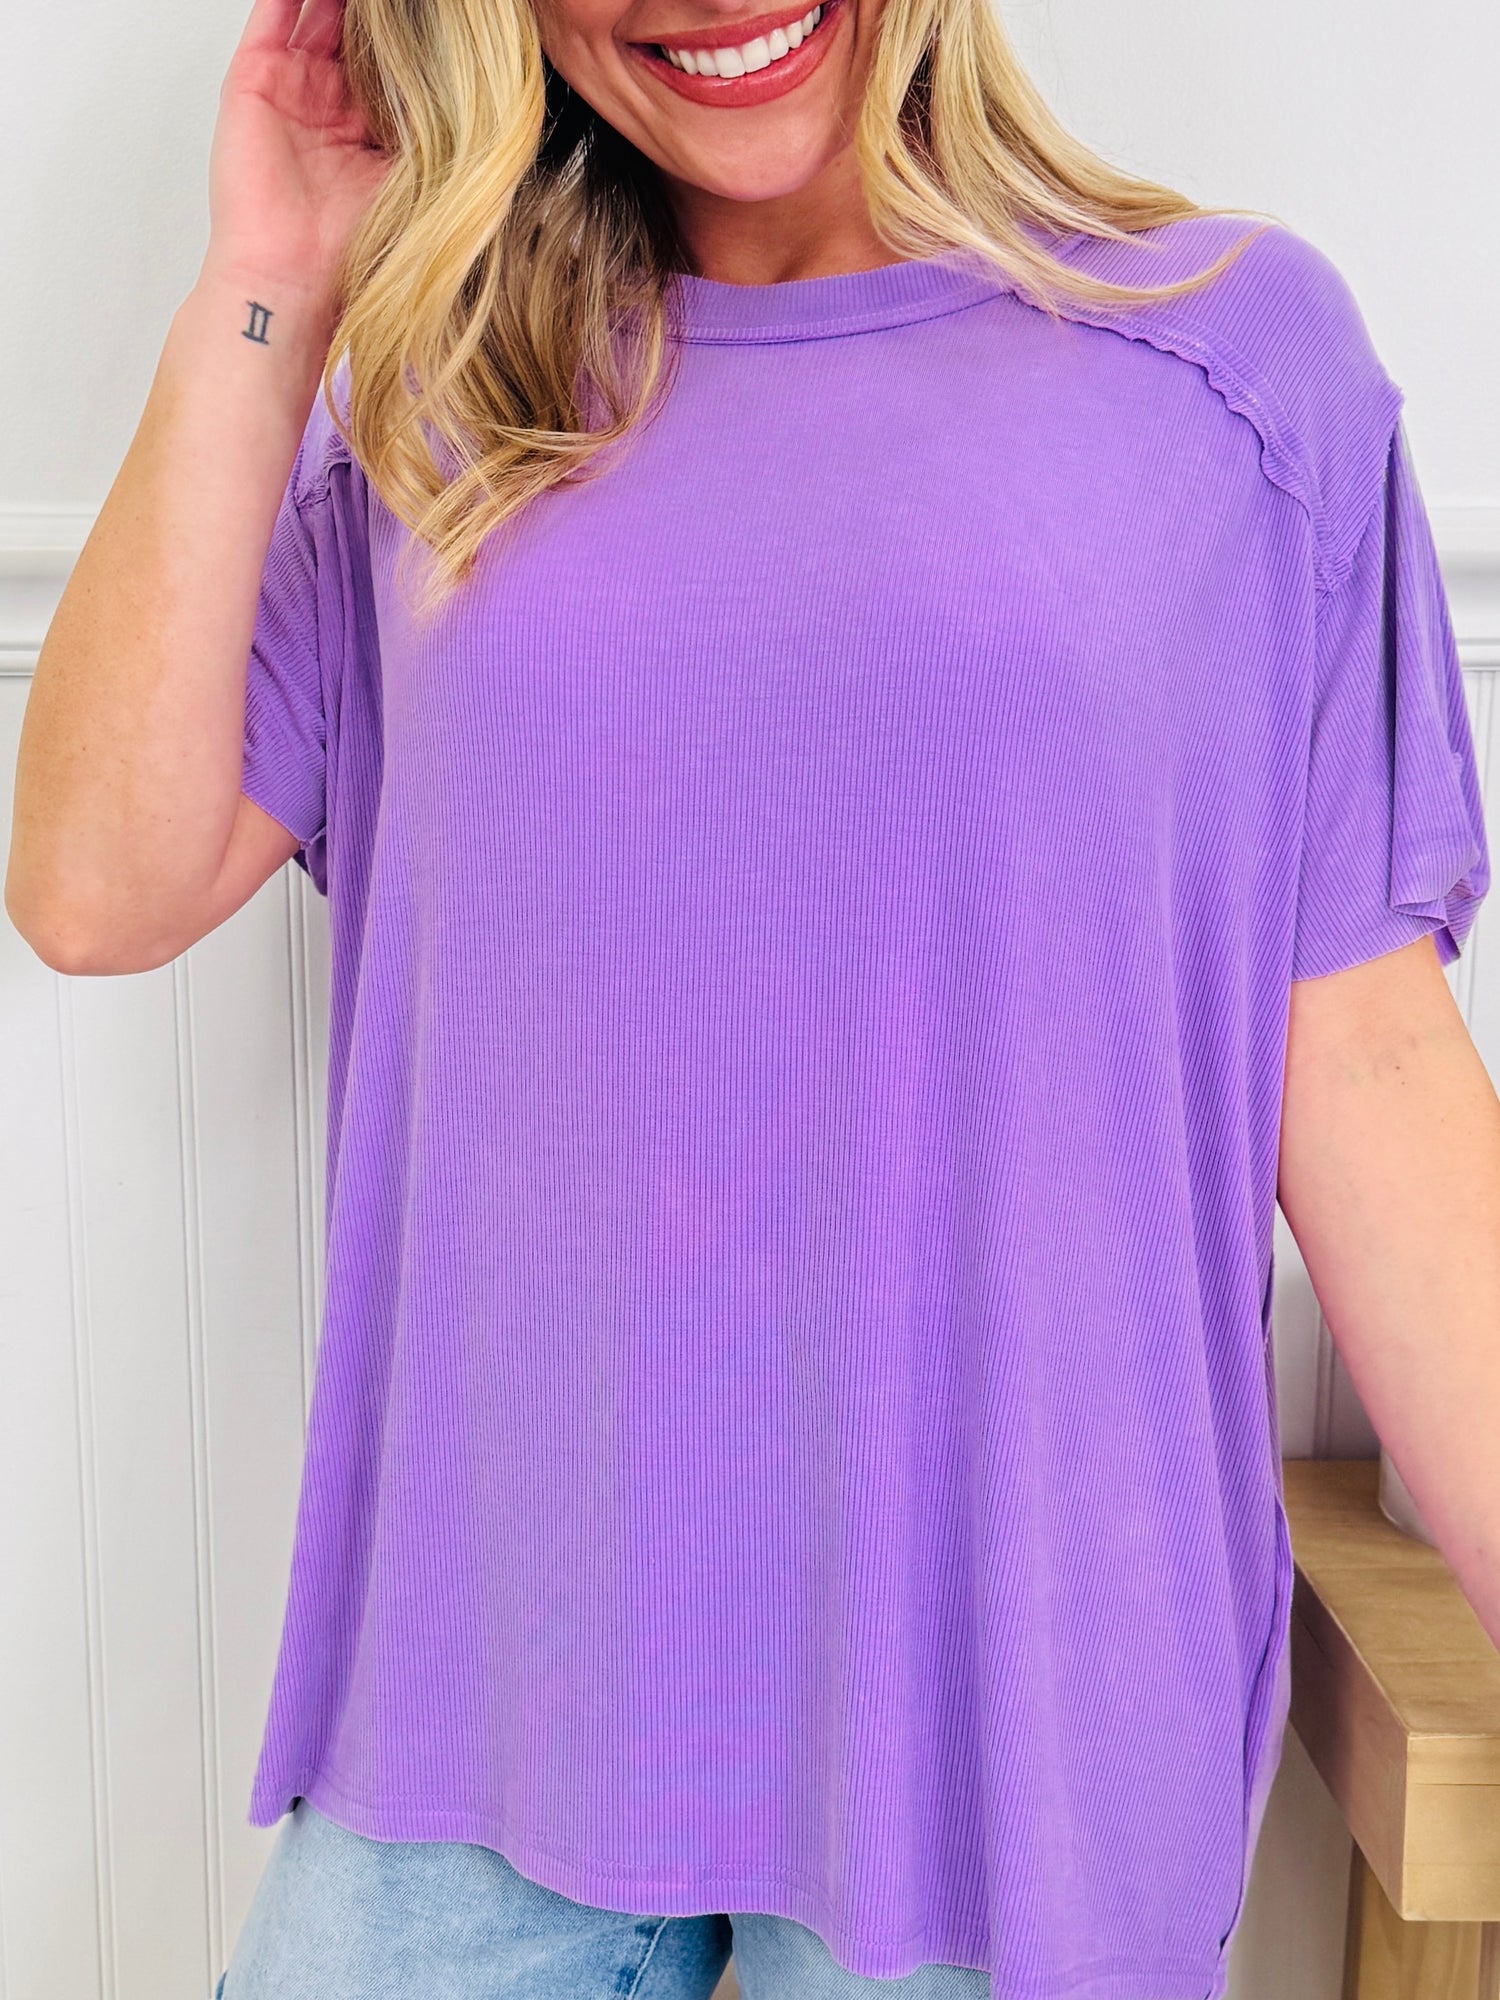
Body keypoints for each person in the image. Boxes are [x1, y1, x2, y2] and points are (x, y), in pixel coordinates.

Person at [7, 0, 1499, 1988]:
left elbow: (1373, 1062)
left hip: (1004, 1726)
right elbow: (94, 888)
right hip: (497, 1692)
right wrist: (262, 287)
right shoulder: (455, 393)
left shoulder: (1226, 360)